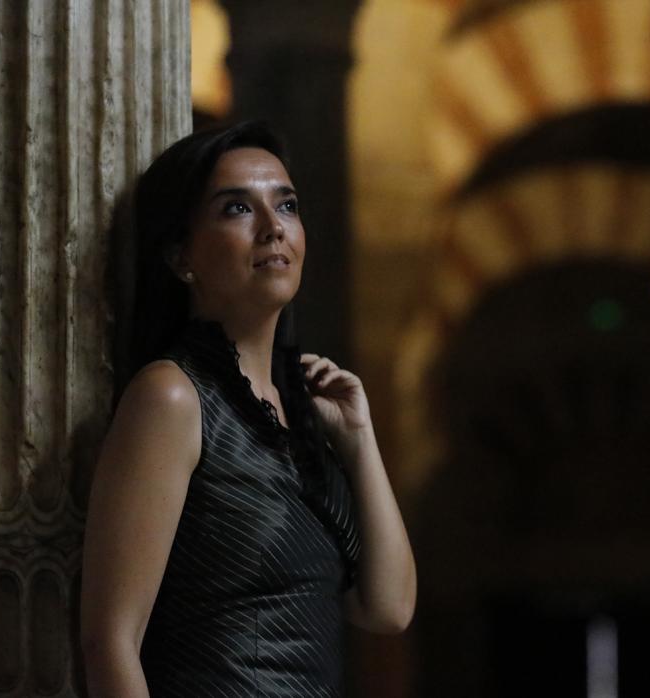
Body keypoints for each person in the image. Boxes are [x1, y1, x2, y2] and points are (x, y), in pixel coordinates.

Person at [80, 121, 416, 696]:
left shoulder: (299, 414)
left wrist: (359, 439)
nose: (273, 229)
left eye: (286, 205)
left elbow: (387, 609)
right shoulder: (171, 397)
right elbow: (111, 639)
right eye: (237, 208)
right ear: (182, 255)